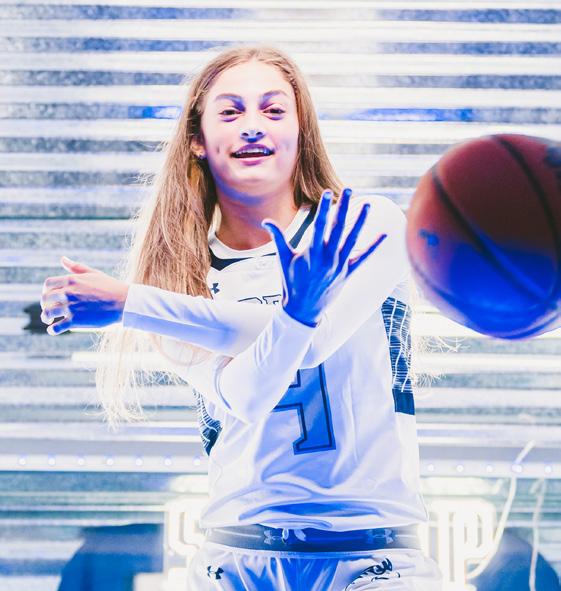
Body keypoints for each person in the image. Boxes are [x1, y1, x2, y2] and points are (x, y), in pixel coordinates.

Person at [40, 46, 442, 590]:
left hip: (375, 558)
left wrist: (129, 305)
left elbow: (316, 343)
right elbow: (248, 394)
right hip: (236, 561)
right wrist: (295, 312)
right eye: (230, 112)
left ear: (301, 131)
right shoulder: (179, 274)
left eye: (273, 110)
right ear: (197, 140)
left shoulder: (366, 225)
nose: (253, 125)